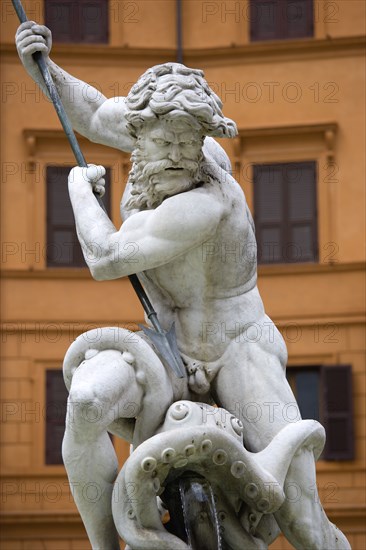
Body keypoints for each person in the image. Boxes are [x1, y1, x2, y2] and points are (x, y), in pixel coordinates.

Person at [16, 22, 351, 550]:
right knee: (84, 402)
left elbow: (106, 257)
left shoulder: (206, 200)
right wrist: (42, 63)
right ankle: (108, 544)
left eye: (189, 143)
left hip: (237, 348)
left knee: (302, 518)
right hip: (164, 348)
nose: (177, 155)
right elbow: (87, 110)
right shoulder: (144, 130)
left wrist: (80, 191)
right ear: (138, 131)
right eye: (165, 141)